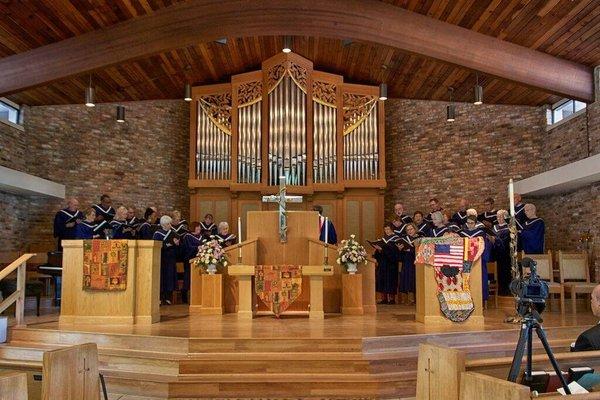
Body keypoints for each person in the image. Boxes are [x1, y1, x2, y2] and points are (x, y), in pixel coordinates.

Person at [459, 215, 489, 302]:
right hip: (465, 260)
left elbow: (484, 246)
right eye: (468, 223)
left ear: (476, 223)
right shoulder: (462, 233)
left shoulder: (481, 233)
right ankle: (466, 299)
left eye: (472, 223)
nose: (469, 225)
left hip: (477, 260)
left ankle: (481, 299)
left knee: (480, 278)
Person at [153, 215, 180, 305]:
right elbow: (157, 246)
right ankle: (160, 297)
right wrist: (171, 243)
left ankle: (168, 297)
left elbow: (177, 244)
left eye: (170, 224)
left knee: (170, 277)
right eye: (168, 224)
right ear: (163, 225)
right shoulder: (157, 234)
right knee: (161, 278)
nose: (170, 226)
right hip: (161, 258)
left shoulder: (173, 233)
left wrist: (176, 244)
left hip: (171, 259)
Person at [373, 224, 401, 305]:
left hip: (391, 264)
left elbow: (395, 253)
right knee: (382, 280)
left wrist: (383, 249)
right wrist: (378, 250)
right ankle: (384, 298)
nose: (387, 231)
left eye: (388, 229)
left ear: (392, 229)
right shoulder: (383, 240)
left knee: (391, 280)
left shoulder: (396, 239)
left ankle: (392, 299)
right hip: (382, 263)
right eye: (385, 229)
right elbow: (378, 254)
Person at [398, 223, 421, 305]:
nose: (410, 231)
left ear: (415, 229)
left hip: (415, 263)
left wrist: (411, 250)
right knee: (407, 280)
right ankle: (408, 300)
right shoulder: (404, 239)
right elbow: (400, 257)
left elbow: (421, 252)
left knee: (414, 280)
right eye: (408, 230)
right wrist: (400, 249)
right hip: (406, 262)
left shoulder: (420, 238)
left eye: (411, 229)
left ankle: (416, 300)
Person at [180, 221, 203, 304]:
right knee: (188, 278)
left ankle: (197, 296)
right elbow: (187, 248)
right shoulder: (187, 237)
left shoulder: (201, 237)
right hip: (189, 260)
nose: (199, 228)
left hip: (199, 260)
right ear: (193, 228)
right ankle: (185, 296)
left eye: (200, 227)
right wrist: (197, 248)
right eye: (198, 227)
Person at [493, 209, 512, 295]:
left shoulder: (509, 227)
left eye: (501, 216)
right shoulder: (494, 227)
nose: (499, 218)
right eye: (497, 217)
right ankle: (498, 289)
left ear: (505, 217)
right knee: (497, 271)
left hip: (505, 254)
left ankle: (505, 290)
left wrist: (496, 239)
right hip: (496, 254)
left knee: (505, 271)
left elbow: (506, 240)